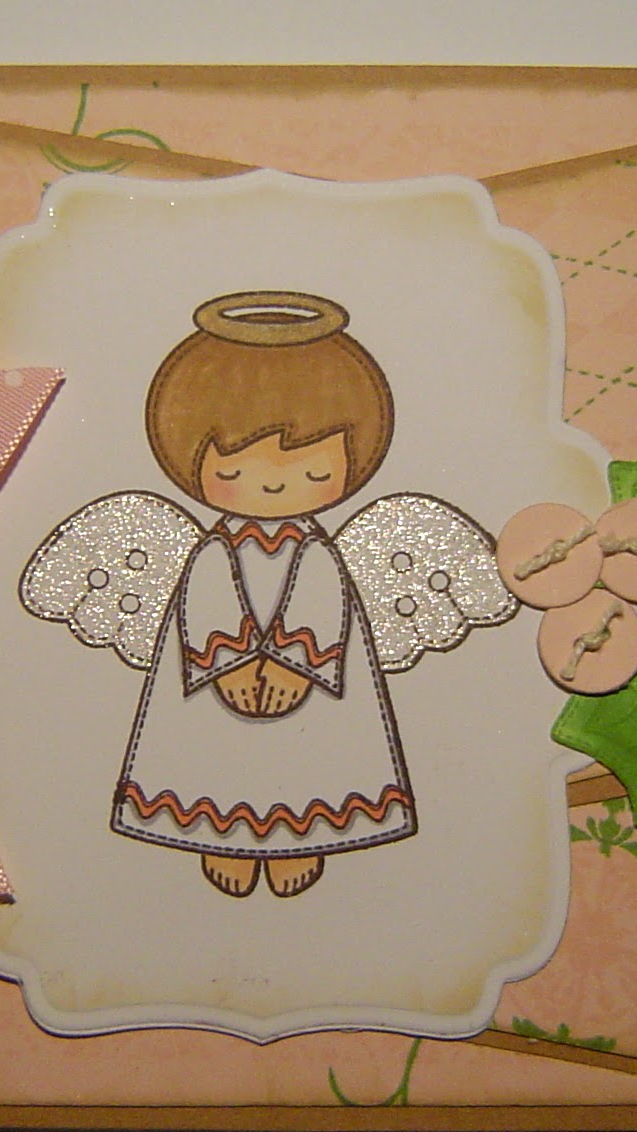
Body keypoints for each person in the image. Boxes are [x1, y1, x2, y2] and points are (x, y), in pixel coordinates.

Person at [112, 291, 412, 898]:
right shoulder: (210, 552)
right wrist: (225, 664)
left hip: (311, 683)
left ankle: (304, 836)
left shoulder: (319, 552)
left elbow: (324, 602)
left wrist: (298, 664)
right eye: (235, 470)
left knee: (310, 760)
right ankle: (219, 835)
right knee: (217, 754)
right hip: (217, 681)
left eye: (314, 471)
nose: (274, 485)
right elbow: (204, 603)